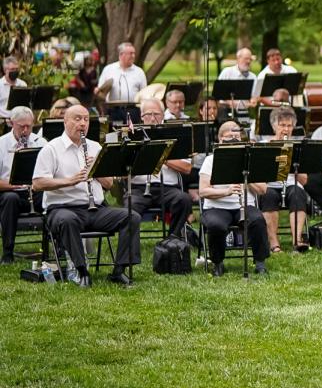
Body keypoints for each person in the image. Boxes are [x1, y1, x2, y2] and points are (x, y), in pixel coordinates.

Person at [32, 104, 140, 287]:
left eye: (86, 119)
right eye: (77, 119)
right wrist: (69, 181)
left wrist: (95, 170)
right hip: (62, 208)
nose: (82, 123)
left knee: (131, 217)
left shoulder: (95, 147)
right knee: (68, 220)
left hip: (95, 209)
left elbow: (109, 184)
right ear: (65, 121)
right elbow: (37, 183)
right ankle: (82, 271)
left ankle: (119, 270)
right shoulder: (51, 149)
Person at [200, 121, 269, 276]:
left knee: (257, 220)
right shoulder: (210, 160)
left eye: (236, 137)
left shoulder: (249, 158)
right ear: (220, 140)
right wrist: (227, 191)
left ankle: (260, 263)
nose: (233, 141)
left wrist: (246, 176)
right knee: (216, 225)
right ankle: (218, 263)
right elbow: (203, 191)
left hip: (244, 205)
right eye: (229, 137)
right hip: (216, 207)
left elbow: (263, 190)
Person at [126, 98, 193, 240]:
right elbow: (123, 170)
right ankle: (130, 252)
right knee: (129, 207)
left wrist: (161, 157)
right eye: (148, 114)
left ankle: (173, 240)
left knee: (184, 199)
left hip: (168, 188)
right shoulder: (131, 136)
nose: (152, 118)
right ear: (141, 116)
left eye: (156, 114)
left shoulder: (175, 136)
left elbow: (187, 168)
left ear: (163, 115)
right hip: (139, 188)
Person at [259, 105, 309, 253]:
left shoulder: (298, 147)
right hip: (269, 184)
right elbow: (258, 174)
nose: (286, 129)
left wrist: (293, 166)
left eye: (289, 126)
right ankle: (274, 242)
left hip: (291, 183)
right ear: (274, 127)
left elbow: (304, 180)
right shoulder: (263, 145)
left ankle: (297, 240)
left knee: (298, 194)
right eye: (282, 125)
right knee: (269, 195)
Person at [0, 106, 47, 263]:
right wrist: (13, 185)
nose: (26, 130)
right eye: (22, 126)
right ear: (12, 124)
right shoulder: (1, 144)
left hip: (35, 190)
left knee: (52, 197)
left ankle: (56, 247)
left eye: (29, 126)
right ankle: (8, 252)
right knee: (10, 199)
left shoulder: (41, 142)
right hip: (10, 193)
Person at [96, 42, 148, 108]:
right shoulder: (108, 69)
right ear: (121, 54)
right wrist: (97, 92)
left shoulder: (139, 72)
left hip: (133, 109)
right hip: (113, 109)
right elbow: (101, 91)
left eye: (134, 53)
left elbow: (144, 93)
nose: (133, 56)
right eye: (130, 53)